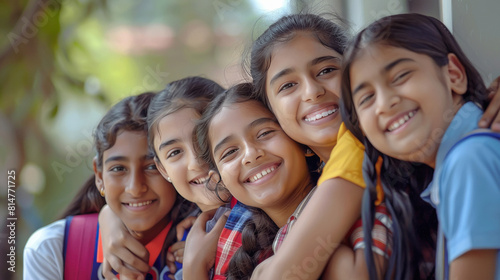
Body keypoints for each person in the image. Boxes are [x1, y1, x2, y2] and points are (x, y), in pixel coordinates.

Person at [341, 13, 500, 280]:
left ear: (453, 74)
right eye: (367, 97)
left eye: (401, 75)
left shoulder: (469, 159)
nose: (384, 103)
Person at [23, 92, 195, 279]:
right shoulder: (50, 250)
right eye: (119, 168)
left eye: (152, 167)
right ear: (99, 175)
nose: (135, 188)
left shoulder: (206, 241)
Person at [97, 77, 251, 280]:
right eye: (175, 152)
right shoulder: (186, 228)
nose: (196, 163)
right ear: (163, 170)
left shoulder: (255, 220)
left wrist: (195, 268)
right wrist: (109, 216)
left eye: (203, 139)